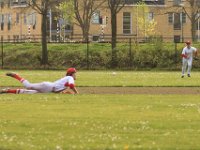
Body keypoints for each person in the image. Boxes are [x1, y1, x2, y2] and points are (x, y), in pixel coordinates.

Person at [0, 68, 79, 94]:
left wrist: (64, 93)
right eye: (75, 73)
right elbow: (71, 86)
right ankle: (16, 76)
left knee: (27, 92)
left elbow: (59, 88)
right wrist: (76, 93)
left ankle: (7, 91)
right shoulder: (70, 78)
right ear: (71, 74)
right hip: (48, 87)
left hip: (48, 89)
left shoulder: (66, 79)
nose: (76, 75)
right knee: (28, 86)